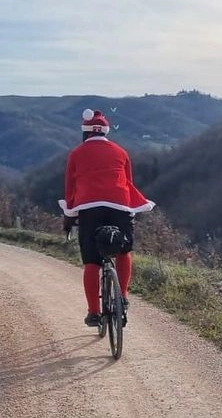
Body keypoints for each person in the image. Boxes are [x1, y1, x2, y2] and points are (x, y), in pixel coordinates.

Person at [59, 108, 155, 327]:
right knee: (124, 250)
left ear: (85, 133)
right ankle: (123, 295)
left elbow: (70, 188)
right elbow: (128, 183)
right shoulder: (121, 152)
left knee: (91, 261)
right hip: (119, 205)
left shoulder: (76, 154)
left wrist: (69, 217)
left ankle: (94, 312)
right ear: (105, 131)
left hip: (89, 208)